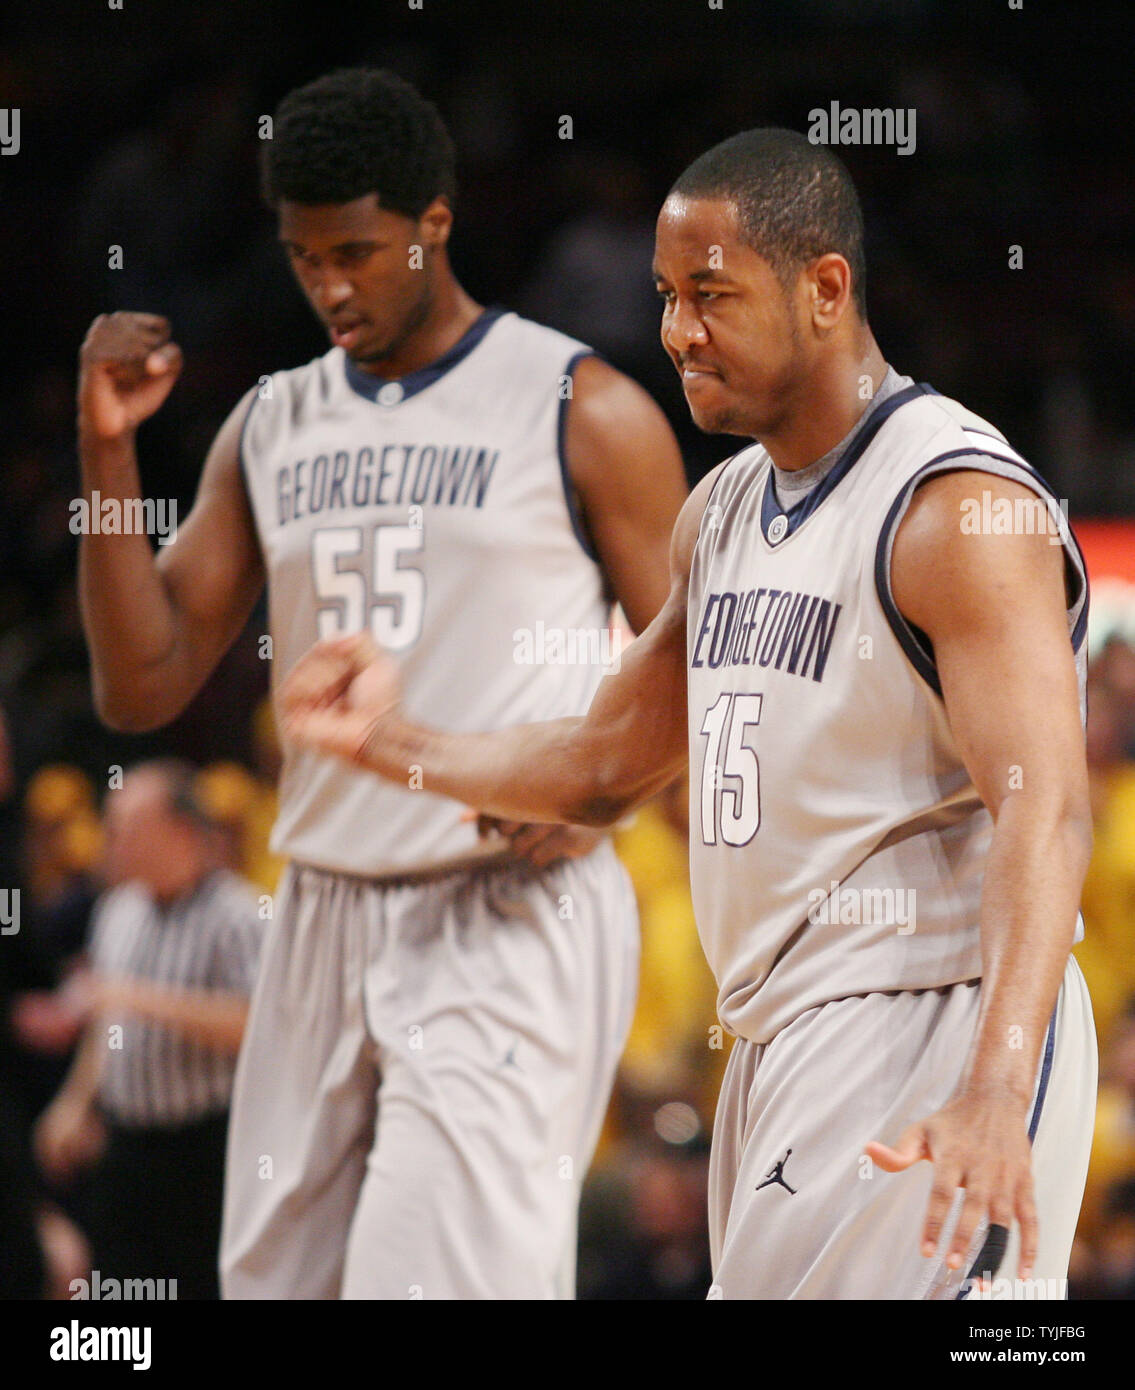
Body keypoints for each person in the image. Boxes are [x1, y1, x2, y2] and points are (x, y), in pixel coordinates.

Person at [282, 128, 1098, 1300]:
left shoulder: (951, 502)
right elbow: (610, 761)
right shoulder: (720, 510)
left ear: (824, 289)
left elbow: (1048, 811)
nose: (676, 332)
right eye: (667, 296)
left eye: (711, 295)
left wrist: (992, 1085)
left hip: (936, 1019)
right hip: (782, 1042)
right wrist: (388, 742)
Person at [76, 68, 687, 1299]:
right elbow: (139, 686)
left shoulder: (582, 407)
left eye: (357, 250)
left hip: (502, 899)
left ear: (435, 224)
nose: (331, 286)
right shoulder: (269, 421)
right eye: (304, 258)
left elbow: (706, 666)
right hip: (315, 903)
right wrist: (106, 448)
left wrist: (600, 789)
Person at [34, 761, 264, 1299]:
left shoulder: (241, 914)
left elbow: (254, 1025)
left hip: (206, 1148)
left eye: (126, 827)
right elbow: (106, 1025)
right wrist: (76, 1101)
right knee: (126, 1296)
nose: (110, 841)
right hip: (128, 1147)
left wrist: (141, 998)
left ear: (181, 831)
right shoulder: (118, 909)